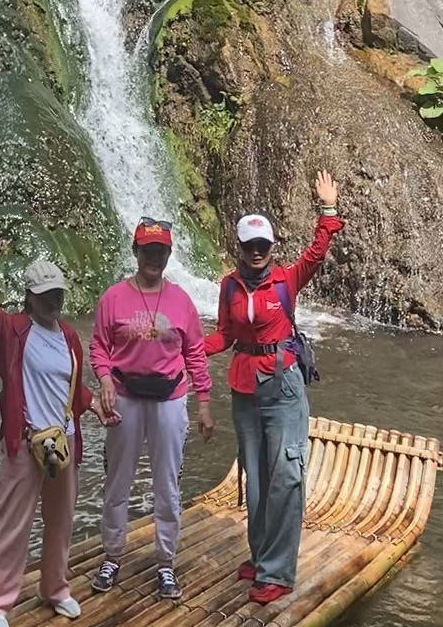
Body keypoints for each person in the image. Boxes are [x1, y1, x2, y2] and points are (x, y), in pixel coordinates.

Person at [0, 251, 106, 627]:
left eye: (58, 294)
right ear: (30, 296)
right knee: (13, 522)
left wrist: (94, 404)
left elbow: (69, 385)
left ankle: (55, 588)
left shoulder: (67, 336)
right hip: (26, 439)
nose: (54, 301)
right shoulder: (14, 330)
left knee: (61, 519)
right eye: (47, 294)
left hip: (63, 440)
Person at [205, 170, 344, 604]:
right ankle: (262, 556)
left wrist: (327, 209)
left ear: (272, 248)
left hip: (283, 386)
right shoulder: (229, 285)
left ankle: (278, 573)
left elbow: (317, 253)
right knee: (256, 479)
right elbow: (223, 336)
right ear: (241, 248)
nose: (258, 253)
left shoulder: (286, 279)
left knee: (285, 475)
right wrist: (185, 345)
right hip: (244, 390)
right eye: (251, 247)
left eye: (264, 246)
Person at [89, 218, 214, 603]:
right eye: (147, 250)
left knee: (167, 486)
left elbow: (195, 352)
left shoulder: (181, 301)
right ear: (136, 251)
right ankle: (112, 556)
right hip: (125, 396)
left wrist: (205, 402)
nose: (154, 257)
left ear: (169, 254)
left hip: (171, 399)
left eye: (160, 251)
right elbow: (98, 346)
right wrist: (106, 381)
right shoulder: (113, 298)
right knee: (117, 482)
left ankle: (165, 562)